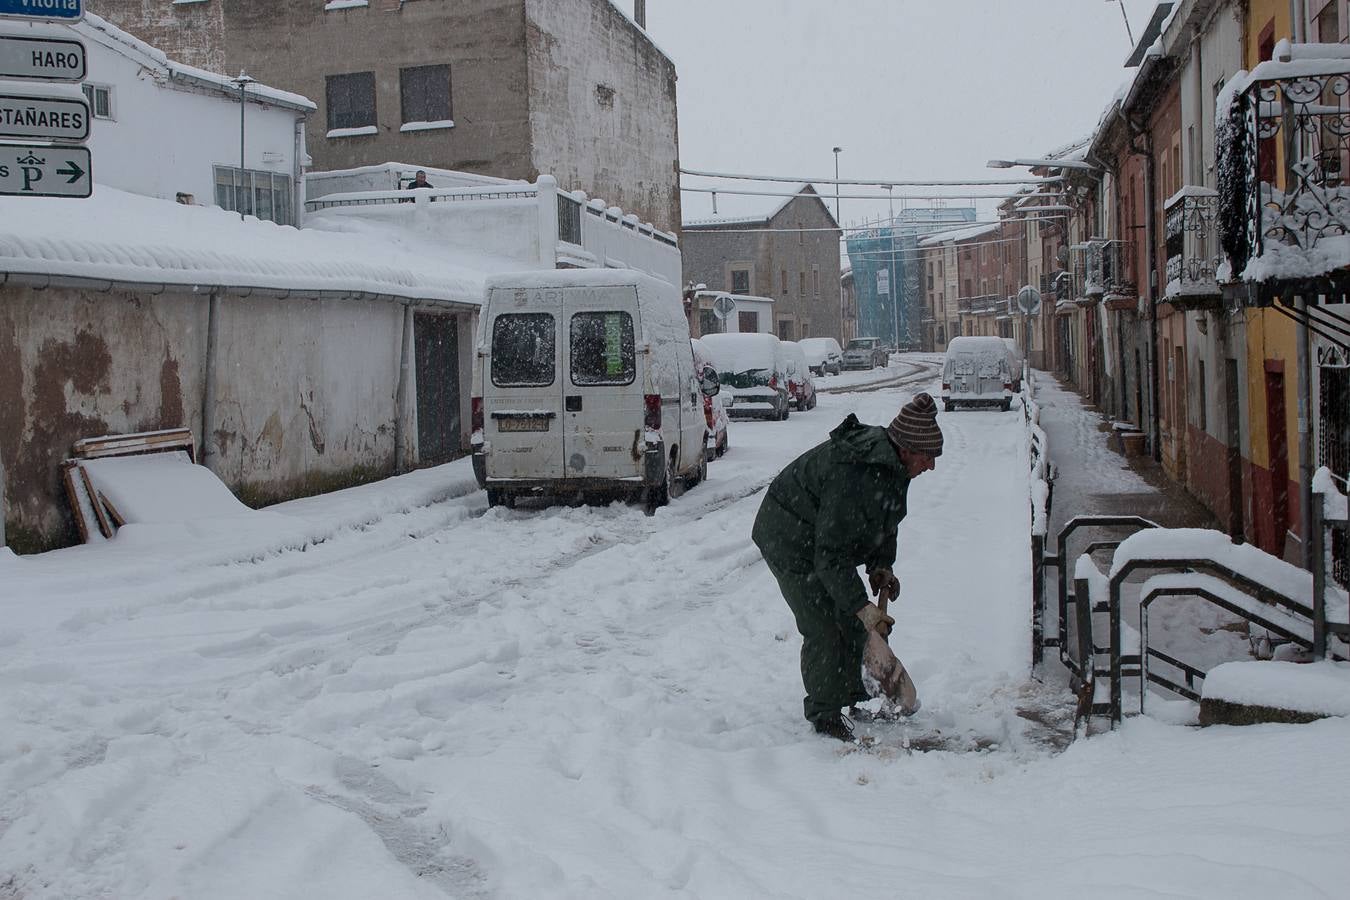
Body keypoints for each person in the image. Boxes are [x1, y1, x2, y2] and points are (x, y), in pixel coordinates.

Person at [751, 392, 943, 742]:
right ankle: (824, 713)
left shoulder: (893, 470)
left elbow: (885, 518)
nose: (931, 465)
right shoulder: (854, 472)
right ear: (907, 449)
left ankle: (854, 694)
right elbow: (830, 557)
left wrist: (881, 565)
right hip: (789, 536)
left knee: (852, 622)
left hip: (821, 539)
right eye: (928, 457)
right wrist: (862, 608)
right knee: (824, 624)